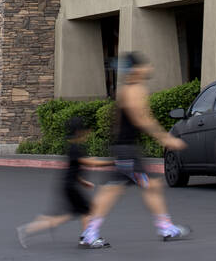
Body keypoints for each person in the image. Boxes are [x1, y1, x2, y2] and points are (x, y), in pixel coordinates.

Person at [79, 52, 191, 249]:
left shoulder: (129, 89)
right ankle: (91, 232)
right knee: (118, 190)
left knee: (137, 188)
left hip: (125, 150)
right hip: (126, 152)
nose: (149, 68)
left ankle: (164, 226)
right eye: (145, 65)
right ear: (136, 69)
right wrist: (165, 138)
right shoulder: (133, 89)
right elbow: (140, 118)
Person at [15, 116, 110, 248]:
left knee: (81, 212)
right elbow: (89, 162)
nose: (86, 134)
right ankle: (27, 230)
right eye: (84, 131)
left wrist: (82, 182)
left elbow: (73, 168)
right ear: (78, 131)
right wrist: (111, 162)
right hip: (70, 187)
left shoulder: (73, 146)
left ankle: (85, 238)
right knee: (81, 212)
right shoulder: (75, 147)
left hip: (70, 185)